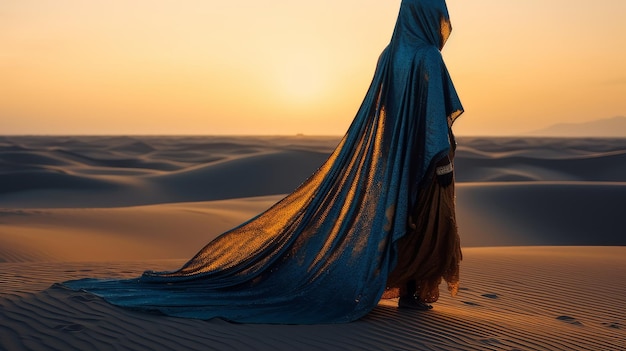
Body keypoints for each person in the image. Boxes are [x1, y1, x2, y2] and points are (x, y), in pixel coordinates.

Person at [64, 0, 463, 324]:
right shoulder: (426, 57)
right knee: (429, 225)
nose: (442, 23)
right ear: (426, 15)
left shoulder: (389, 54)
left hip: (389, 163)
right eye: (439, 15)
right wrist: (440, 160)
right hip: (422, 161)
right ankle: (412, 295)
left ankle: (404, 289)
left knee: (401, 220)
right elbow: (431, 122)